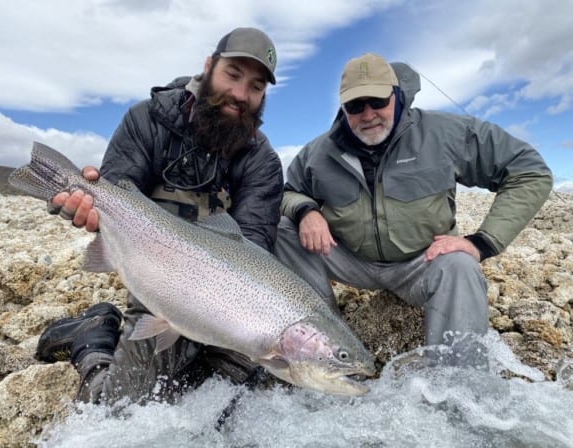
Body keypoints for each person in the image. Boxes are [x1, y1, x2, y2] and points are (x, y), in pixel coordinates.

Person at [36, 27, 284, 404]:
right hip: (156, 288)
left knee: (229, 401)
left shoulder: (262, 159)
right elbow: (114, 195)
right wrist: (78, 202)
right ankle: (93, 339)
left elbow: (253, 246)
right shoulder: (146, 120)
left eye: (255, 87)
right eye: (232, 75)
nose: (240, 94)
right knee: (125, 412)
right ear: (208, 66)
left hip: (229, 302)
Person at [274, 53, 553, 363]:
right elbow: (289, 192)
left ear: (396, 95)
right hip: (351, 260)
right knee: (284, 230)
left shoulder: (445, 132)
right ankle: (324, 341)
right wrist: (306, 211)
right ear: (342, 107)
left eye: (377, 101)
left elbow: (529, 170)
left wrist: (482, 242)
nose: (368, 115)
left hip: (421, 263)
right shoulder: (317, 152)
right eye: (355, 106)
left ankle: (459, 383)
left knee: (460, 263)